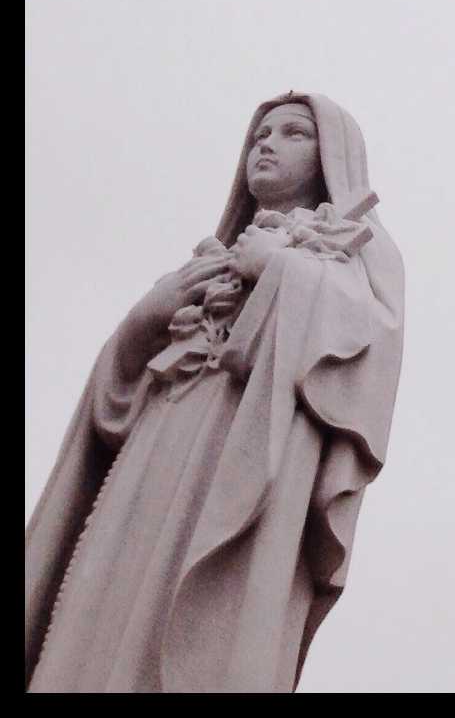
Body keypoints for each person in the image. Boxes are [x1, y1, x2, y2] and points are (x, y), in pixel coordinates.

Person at [25, 93, 404, 691]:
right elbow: (112, 409)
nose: (267, 145)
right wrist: (146, 320)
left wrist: (276, 266)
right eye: (260, 135)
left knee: (197, 608)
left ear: (332, 154)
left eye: (292, 133)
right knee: (102, 604)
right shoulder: (203, 263)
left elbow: (366, 349)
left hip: (242, 456)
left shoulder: (353, 247)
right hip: (153, 450)